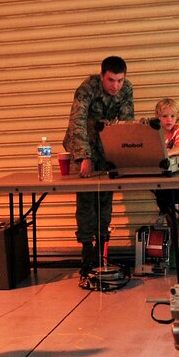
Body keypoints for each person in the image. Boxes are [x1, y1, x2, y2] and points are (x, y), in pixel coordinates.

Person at [62, 56, 134, 283]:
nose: (116, 86)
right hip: (82, 142)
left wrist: (124, 156)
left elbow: (126, 125)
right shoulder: (87, 88)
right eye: (111, 80)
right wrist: (84, 156)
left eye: (120, 80)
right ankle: (87, 250)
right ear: (102, 76)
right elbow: (77, 122)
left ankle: (102, 249)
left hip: (106, 146)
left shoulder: (126, 90)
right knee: (86, 200)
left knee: (105, 198)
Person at [152, 97, 179, 218]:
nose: (169, 120)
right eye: (165, 116)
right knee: (163, 206)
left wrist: (165, 153)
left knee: (175, 210)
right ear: (158, 117)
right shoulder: (154, 131)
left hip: (176, 174)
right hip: (159, 174)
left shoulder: (178, 129)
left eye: (172, 116)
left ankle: (174, 231)